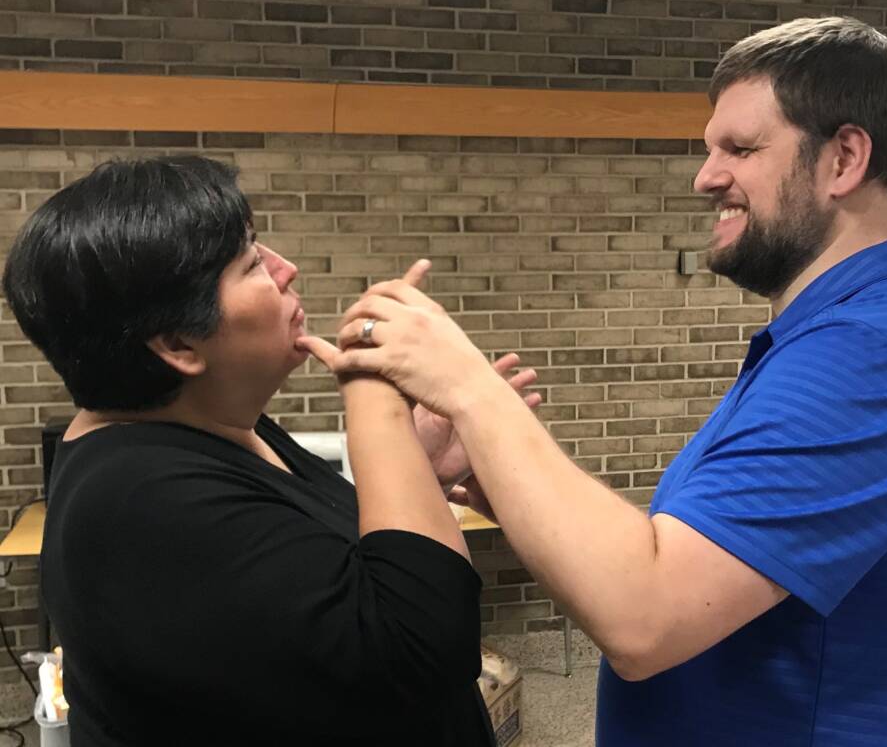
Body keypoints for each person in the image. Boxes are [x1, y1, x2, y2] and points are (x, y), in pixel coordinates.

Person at [299, 17, 887, 746]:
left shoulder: (884, 359)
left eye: (739, 149)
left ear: (843, 159)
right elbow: (684, 557)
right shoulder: (828, 341)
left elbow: (643, 612)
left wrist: (468, 387)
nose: (706, 176)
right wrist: (499, 475)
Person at [2, 155, 539, 746]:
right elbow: (424, 649)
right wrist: (374, 388)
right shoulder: (136, 501)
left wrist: (417, 473)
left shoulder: (217, 422)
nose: (286, 268)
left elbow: (318, 576)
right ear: (179, 343)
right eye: (253, 262)